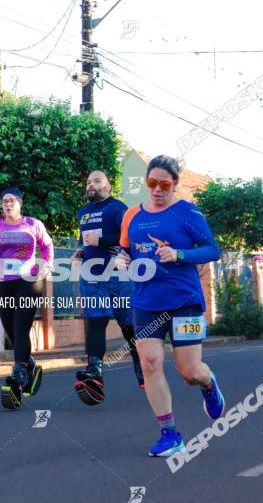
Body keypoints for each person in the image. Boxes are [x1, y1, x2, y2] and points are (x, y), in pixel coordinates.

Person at [118, 155, 224, 457]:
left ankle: (208, 383)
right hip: (146, 300)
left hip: (184, 300)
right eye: (152, 183)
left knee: (189, 371)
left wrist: (179, 255)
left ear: (175, 184)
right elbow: (125, 248)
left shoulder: (188, 212)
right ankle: (170, 433)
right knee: (150, 362)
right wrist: (121, 257)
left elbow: (211, 249)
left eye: (164, 185)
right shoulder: (132, 216)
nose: (157, 190)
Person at [0, 187, 54, 409]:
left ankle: (19, 371)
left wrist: (47, 264)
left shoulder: (33, 224)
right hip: (3, 280)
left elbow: (47, 245)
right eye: (4, 201)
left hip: (29, 280)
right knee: (10, 330)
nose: (8, 204)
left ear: (20, 203)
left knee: (21, 327)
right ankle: (28, 363)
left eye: (12, 200)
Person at [72, 170, 144, 405]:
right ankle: (95, 372)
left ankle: (140, 360)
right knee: (96, 321)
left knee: (128, 326)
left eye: (97, 181)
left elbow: (129, 238)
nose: (91, 184)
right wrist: (83, 250)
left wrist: (101, 242)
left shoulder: (117, 208)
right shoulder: (83, 212)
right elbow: (88, 241)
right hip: (92, 276)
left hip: (119, 276)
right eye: (88, 181)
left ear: (109, 186)